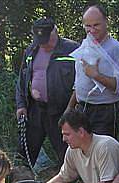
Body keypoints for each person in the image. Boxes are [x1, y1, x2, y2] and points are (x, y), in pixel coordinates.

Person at [15, 18, 79, 166]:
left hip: (61, 111)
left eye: (46, 39)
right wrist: (21, 105)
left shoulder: (73, 50)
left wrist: (70, 109)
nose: (43, 44)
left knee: (67, 153)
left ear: (55, 31)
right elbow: (22, 80)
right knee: (23, 155)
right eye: (40, 40)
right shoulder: (31, 50)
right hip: (35, 110)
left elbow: (81, 83)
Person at [66, 4, 119, 138]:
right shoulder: (85, 45)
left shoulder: (115, 49)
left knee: (102, 152)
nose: (92, 30)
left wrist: (96, 76)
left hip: (105, 111)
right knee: (81, 150)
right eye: (88, 26)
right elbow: (78, 82)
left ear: (106, 22)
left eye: (96, 25)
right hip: (82, 108)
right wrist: (70, 108)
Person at [45, 109, 119, 183]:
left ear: (81, 132)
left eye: (67, 134)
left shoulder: (105, 146)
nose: (64, 139)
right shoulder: (72, 150)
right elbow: (62, 177)